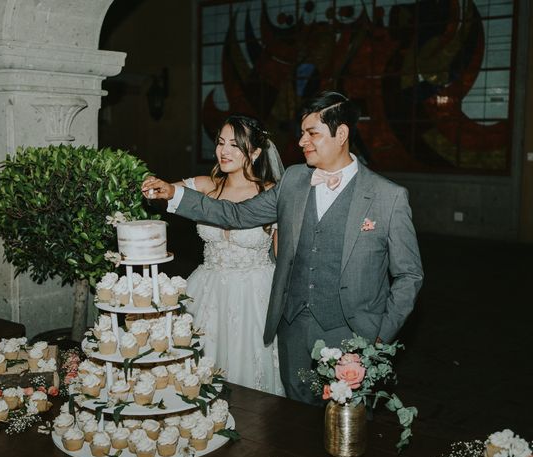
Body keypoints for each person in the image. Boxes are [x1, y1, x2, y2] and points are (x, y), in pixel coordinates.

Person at [142, 92, 424, 405]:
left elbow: (409, 275)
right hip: (293, 330)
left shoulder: (388, 196)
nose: (303, 141)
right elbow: (236, 214)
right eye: (302, 133)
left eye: (312, 133)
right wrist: (173, 195)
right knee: (292, 422)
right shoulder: (292, 180)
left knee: (348, 430)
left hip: (353, 335)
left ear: (341, 134)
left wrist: (382, 335)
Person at [173, 114, 285, 396]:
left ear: (256, 152)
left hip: (254, 295)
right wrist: (153, 186)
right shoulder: (206, 186)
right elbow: (162, 192)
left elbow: (284, 256)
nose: (224, 151)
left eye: (235, 145)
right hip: (208, 292)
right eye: (221, 143)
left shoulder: (270, 194)